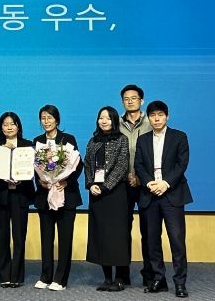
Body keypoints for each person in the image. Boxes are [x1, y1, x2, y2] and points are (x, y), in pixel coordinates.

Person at [135, 101, 193, 299]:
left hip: (172, 194)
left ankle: (180, 283)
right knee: (151, 241)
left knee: (177, 240)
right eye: (152, 115)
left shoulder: (179, 137)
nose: (156, 118)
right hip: (149, 194)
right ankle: (159, 279)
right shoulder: (142, 139)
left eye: (160, 114)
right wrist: (149, 183)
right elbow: (139, 165)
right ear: (148, 118)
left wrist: (166, 183)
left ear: (167, 116)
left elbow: (182, 164)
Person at [32, 104, 83, 291]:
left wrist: (66, 181)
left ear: (57, 120)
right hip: (45, 196)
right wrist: (41, 181)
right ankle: (45, 276)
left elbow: (77, 164)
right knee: (46, 238)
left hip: (66, 195)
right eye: (43, 118)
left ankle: (61, 278)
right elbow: (34, 167)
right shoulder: (37, 141)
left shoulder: (68, 139)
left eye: (50, 118)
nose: (46, 121)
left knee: (65, 238)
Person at [85, 106, 130, 291]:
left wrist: (105, 186)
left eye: (108, 118)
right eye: (101, 118)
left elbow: (122, 166)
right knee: (101, 234)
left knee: (117, 235)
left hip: (115, 194)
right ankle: (106, 278)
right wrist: (90, 184)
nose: (103, 121)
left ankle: (119, 278)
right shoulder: (93, 140)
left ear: (114, 121)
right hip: (96, 193)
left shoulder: (122, 139)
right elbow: (87, 163)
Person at [0, 111, 34, 288]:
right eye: (5, 124)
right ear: (1, 127)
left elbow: (34, 170)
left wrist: (21, 179)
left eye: (12, 124)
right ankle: (4, 275)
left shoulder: (28, 145)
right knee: (2, 237)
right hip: (2, 196)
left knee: (19, 237)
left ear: (18, 126)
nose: (9, 127)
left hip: (20, 195)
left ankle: (16, 276)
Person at [118, 84, 154, 286]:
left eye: (134, 98)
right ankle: (122, 274)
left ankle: (149, 275)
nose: (130, 101)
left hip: (147, 184)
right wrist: (127, 175)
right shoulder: (116, 122)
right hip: (122, 184)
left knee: (148, 231)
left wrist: (141, 177)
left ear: (141, 100)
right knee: (122, 230)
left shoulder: (151, 122)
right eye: (126, 98)